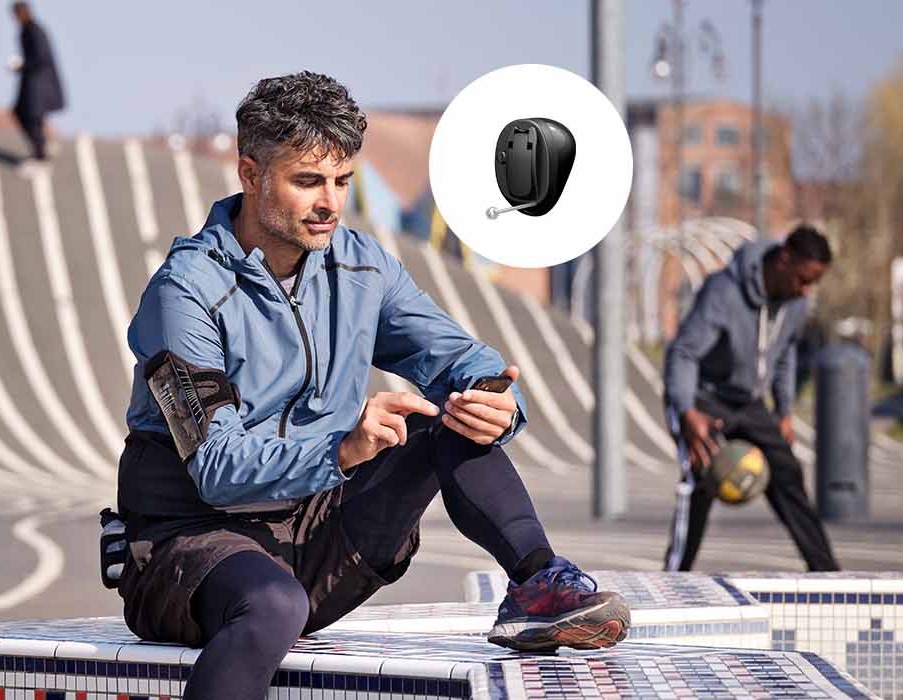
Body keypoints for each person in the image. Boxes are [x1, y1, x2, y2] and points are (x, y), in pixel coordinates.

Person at [113, 71, 630, 699]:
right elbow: (216, 467)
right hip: (191, 545)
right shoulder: (184, 293)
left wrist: (496, 398)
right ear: (250, 174)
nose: (330, 203)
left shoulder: (362, 266)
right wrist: (339, 448)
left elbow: (459, 357)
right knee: (274, 606)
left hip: (314, 534)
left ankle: (537, 584)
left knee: (447, 418)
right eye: (308, 181)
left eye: (342, 181)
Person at [663, 225, 839, 572]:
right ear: (784, 260)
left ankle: (828, 573)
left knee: (788, 475)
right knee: (701, 476)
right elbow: (684, 353)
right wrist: (687, 411)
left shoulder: (795, 303)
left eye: (813, 283)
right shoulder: (723, 291)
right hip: (703, 398)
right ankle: (674, 574)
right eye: (804, 279)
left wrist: (784, 411)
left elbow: (785, 353)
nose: (807, 290)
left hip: (749, 403)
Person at [8, 1, 63, 166]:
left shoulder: (34, 31)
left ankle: (40, 154)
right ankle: (40, 149)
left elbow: (41, 57)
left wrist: (22, 66)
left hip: (39, 84)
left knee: (34, 117)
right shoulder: (26, 30)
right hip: (31, 82)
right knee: (23, 113)